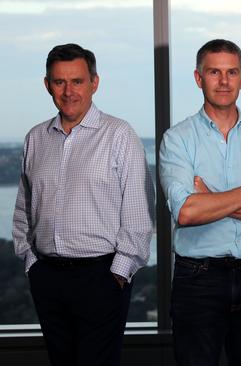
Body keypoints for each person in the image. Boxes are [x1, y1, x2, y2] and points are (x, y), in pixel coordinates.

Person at [12, 43, 154, 366]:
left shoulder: (119, 135)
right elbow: (24, 209)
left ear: (94, 83)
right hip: (47, 278)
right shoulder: (36, 138)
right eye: (59, 82)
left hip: (101, 278)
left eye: (77, 81)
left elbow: (139, 214)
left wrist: (117, 275)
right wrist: (31, 262)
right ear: (47, 85)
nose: (68, 91)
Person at [159, 39, 241, 366]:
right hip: (198, 279)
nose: (223, 81)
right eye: (214, 72)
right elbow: (187, 212)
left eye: (232, 72)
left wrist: (210, 198)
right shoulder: (177, 139)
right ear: (198, 78)